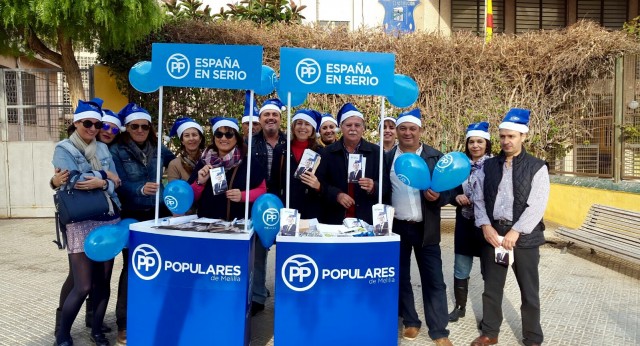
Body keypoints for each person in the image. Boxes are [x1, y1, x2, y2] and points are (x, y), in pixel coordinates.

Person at [470, 108, 549, 346]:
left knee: (529, 291)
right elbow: (478, 198)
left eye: (511, 136)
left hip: (524, 239)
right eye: (503, 136)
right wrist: (485, 226)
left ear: (523, 137)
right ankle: (490, 333)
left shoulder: (537, 167)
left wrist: (517, 231)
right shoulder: (489, 166)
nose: (506, 141)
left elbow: (537, 205)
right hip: (494, 235)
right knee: (491, 289)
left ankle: (533, 337)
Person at [382, 108, 455, 346]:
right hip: (397, 227)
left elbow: (451, 189)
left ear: (420, 131)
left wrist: (440, 197)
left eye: (412, 128)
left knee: (434, 280)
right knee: (401, 276)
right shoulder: (386, 158)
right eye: (402, 128)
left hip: (427, 229)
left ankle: (439, 330)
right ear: (396, 131)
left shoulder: (435, 157)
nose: (407, 133)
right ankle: (411, 321)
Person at [53, 100, 122, 346]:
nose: (92, 128)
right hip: (80, 221)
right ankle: (62, 333)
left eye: (97, 124)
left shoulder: (103, 149)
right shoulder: (63, 148)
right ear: (76, 123)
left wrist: (105, 182)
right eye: (87, 123)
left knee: (103, 282)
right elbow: (72, 181)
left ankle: (96, 332)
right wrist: (104, 176)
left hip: (108, 217)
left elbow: (118, 182)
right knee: (82, 285)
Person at [109, 103, 175, 345]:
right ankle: (124, 324)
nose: (139, 130)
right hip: (131, 214)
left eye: (144, 127)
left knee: (159, 265)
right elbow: (118, 182)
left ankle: (153, 313)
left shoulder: (158, 148)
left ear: (150, 128)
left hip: (158, 214)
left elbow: (179, 164)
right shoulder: (117, 150)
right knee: (131, 268)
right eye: (134, 126)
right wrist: (139, 188)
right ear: (127, 128)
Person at [448, 121, 493, 322]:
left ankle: (488, 314)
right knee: (461, 267)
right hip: (465, 224)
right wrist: (455, 198)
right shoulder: (459, 165)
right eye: (471, 142)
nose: (475, 146)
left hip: (488, 227)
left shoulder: (495, 166)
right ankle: (460, 307)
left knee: (489, 272)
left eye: (479, 142)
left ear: (487, 144)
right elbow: (448, 188)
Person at [250, 98, 286, 315]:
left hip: (285, 201)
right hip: (257, 203)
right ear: (260, 120)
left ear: (280, 119)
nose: (271, 118)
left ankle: (287, 293)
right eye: (266, 115)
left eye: (275, 115)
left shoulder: (288, 142)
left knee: (286, 249)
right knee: (258, 253)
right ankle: (257, 296)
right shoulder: (249, 143)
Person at [316, 103, 380, 225]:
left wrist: (373, 186)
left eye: (357, 125)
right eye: (348, 125)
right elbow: (320, 183)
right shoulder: (327, 153)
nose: (353, 129)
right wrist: (337, 195)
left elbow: (386, 184)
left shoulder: (376, 152)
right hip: (335, 219)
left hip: (366, 219)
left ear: (363, 128)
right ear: (341, 128)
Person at [189, 117, 266, 220]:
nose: (223, 138)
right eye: (219, 134)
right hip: (207, 224)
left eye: (229, 135)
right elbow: (190, 197)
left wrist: (243, 196)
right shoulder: (204, 161)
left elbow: (262, 190)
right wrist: (200, 182)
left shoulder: (249, 161)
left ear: (236, 138)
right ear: (214, 137)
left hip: (237, 225)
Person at [269, 109, 323, 219]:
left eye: (307, 124)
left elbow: (327, 184)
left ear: (312, 129)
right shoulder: (281, 150)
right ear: (293, 127)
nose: (302, 127)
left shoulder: (321, 152)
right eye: (299, 123)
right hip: (286, 210)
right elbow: (274, 184)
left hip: (312, 212)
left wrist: (318, 186)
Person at [166, 117, 205, 182]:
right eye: (187, 135)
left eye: (194, 135)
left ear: (200, 139)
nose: (191, 139)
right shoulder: (174, 165)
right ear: (182, 141)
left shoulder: (209, 159)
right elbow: (174, 190)